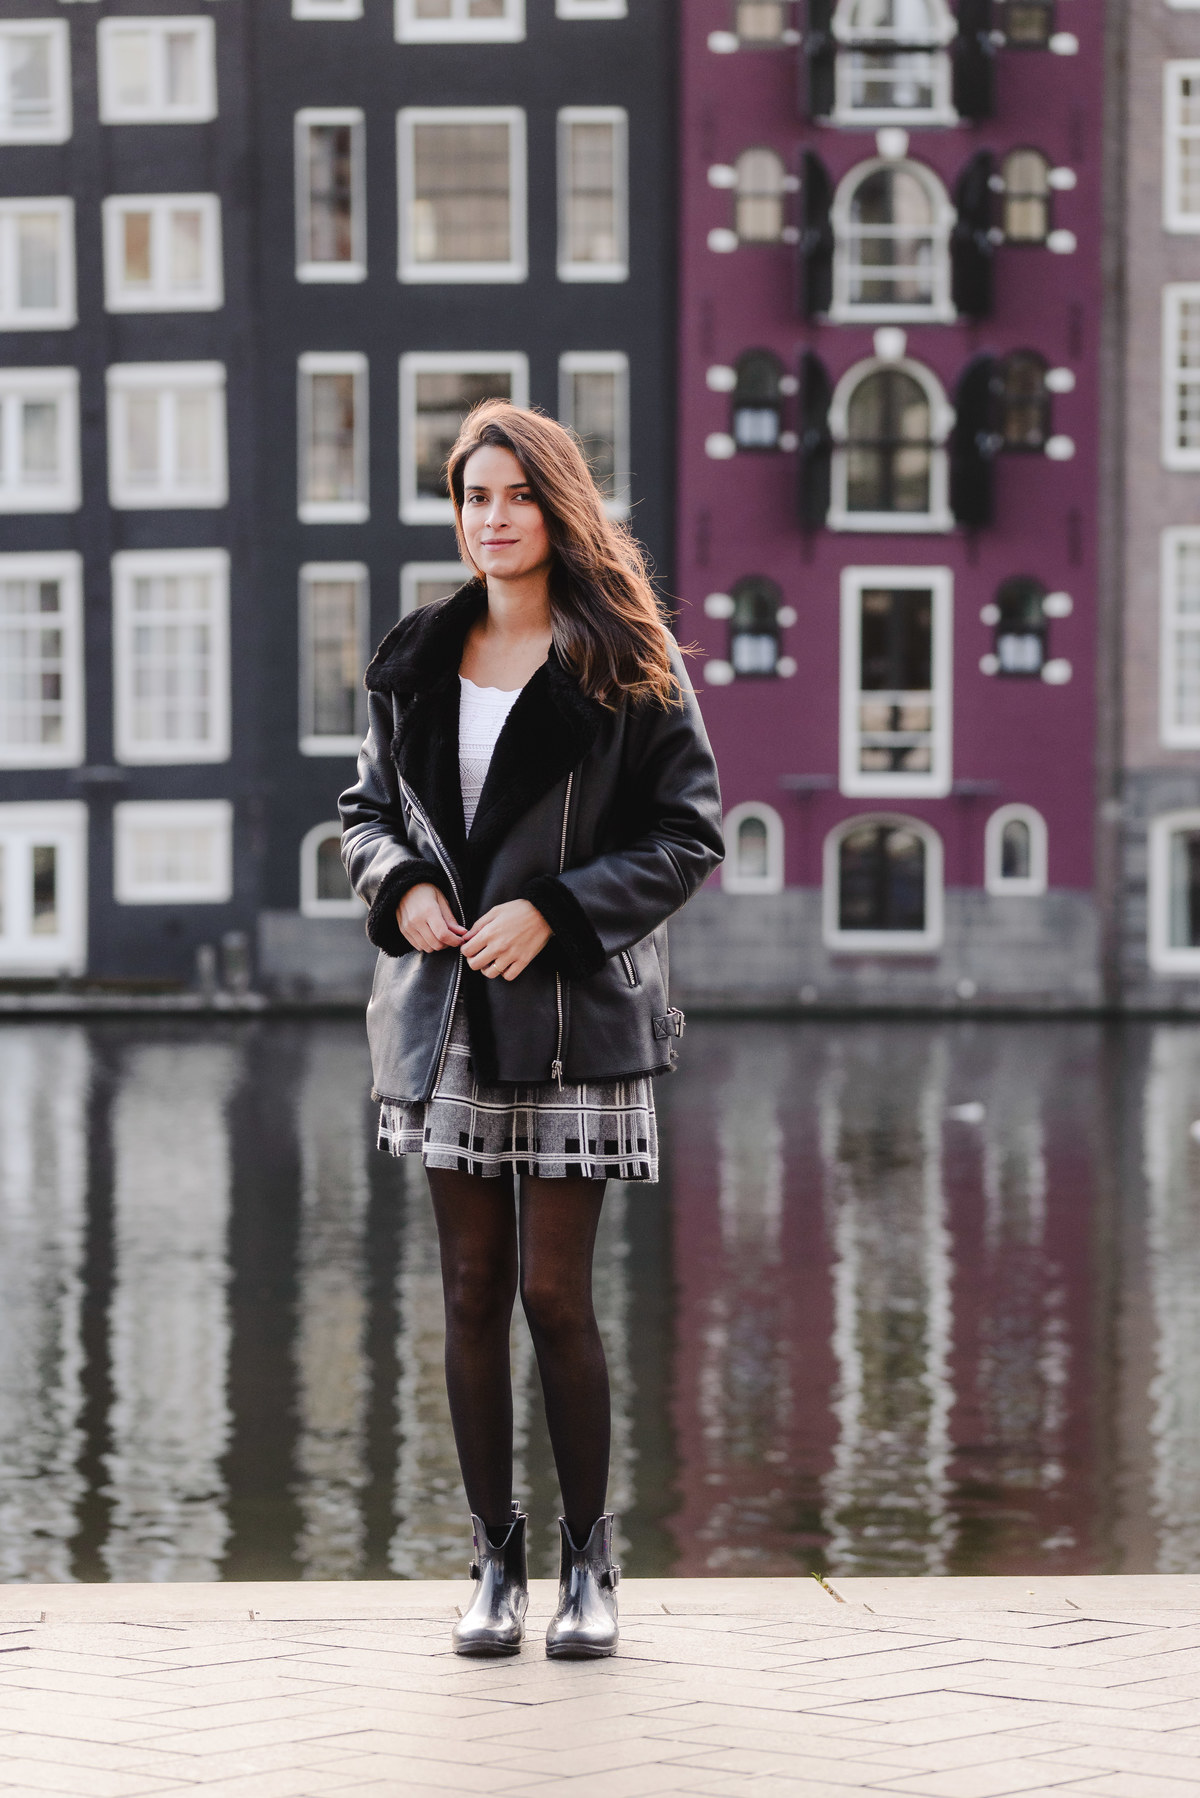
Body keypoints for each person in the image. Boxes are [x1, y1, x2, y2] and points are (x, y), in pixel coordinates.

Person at [340, 400, 723, 1658]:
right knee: (468, 1289)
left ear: (557, 506)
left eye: (512, 495)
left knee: (557, 1294)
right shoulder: (414, 658)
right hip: (445, 1007)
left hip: (572, 1016)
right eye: (471, 497)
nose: (490, 520)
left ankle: (588, 1562)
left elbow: (688, 834)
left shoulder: (625, 657)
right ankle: (493, 1560)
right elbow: (364, 812)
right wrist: (400, 886)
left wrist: (556, 910)